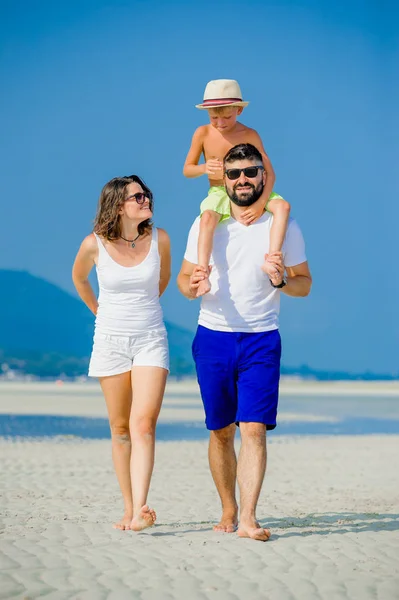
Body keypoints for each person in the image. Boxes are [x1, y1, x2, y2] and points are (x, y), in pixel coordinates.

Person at [177, 143, 312, 542]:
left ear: (263, 176)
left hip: (262, 339)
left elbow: (304, 284)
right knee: (221, 430)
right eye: (234, 174)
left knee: (254, 428)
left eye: (250, 172)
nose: (242, 180)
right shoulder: (207, 223)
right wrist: (192, 286)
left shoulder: (285, 226)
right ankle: (228, 508)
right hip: (213, 337)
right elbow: (185, 283)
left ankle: (249, 517)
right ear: (226, 180)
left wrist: (282, 280)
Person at [72, 175, 171, 532]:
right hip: (110, 342)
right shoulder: (93, 245)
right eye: (137, 196)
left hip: (150, 339)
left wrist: (142, 310)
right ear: (117, 205)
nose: (146, 200)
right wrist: (99, 310)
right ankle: (128, 509)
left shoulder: (160, 239)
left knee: (143, 423)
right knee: (120, 428)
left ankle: (142, 508)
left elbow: (163, 280)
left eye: (146, 194)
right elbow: (80, 279)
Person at [183, 79, 291, 297]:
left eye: (227, 117)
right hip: (219, 192)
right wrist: (204, 168)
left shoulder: (250, 135)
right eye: (214, 117)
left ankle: (273, 260)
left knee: (283, 207)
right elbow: (187, 169)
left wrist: (261, 203)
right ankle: (202, 273)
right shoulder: (202, 133)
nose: (220, 123)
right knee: (207, 218)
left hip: (253, 191)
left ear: (239, 110)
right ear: (207, 114)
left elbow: (270, 172)